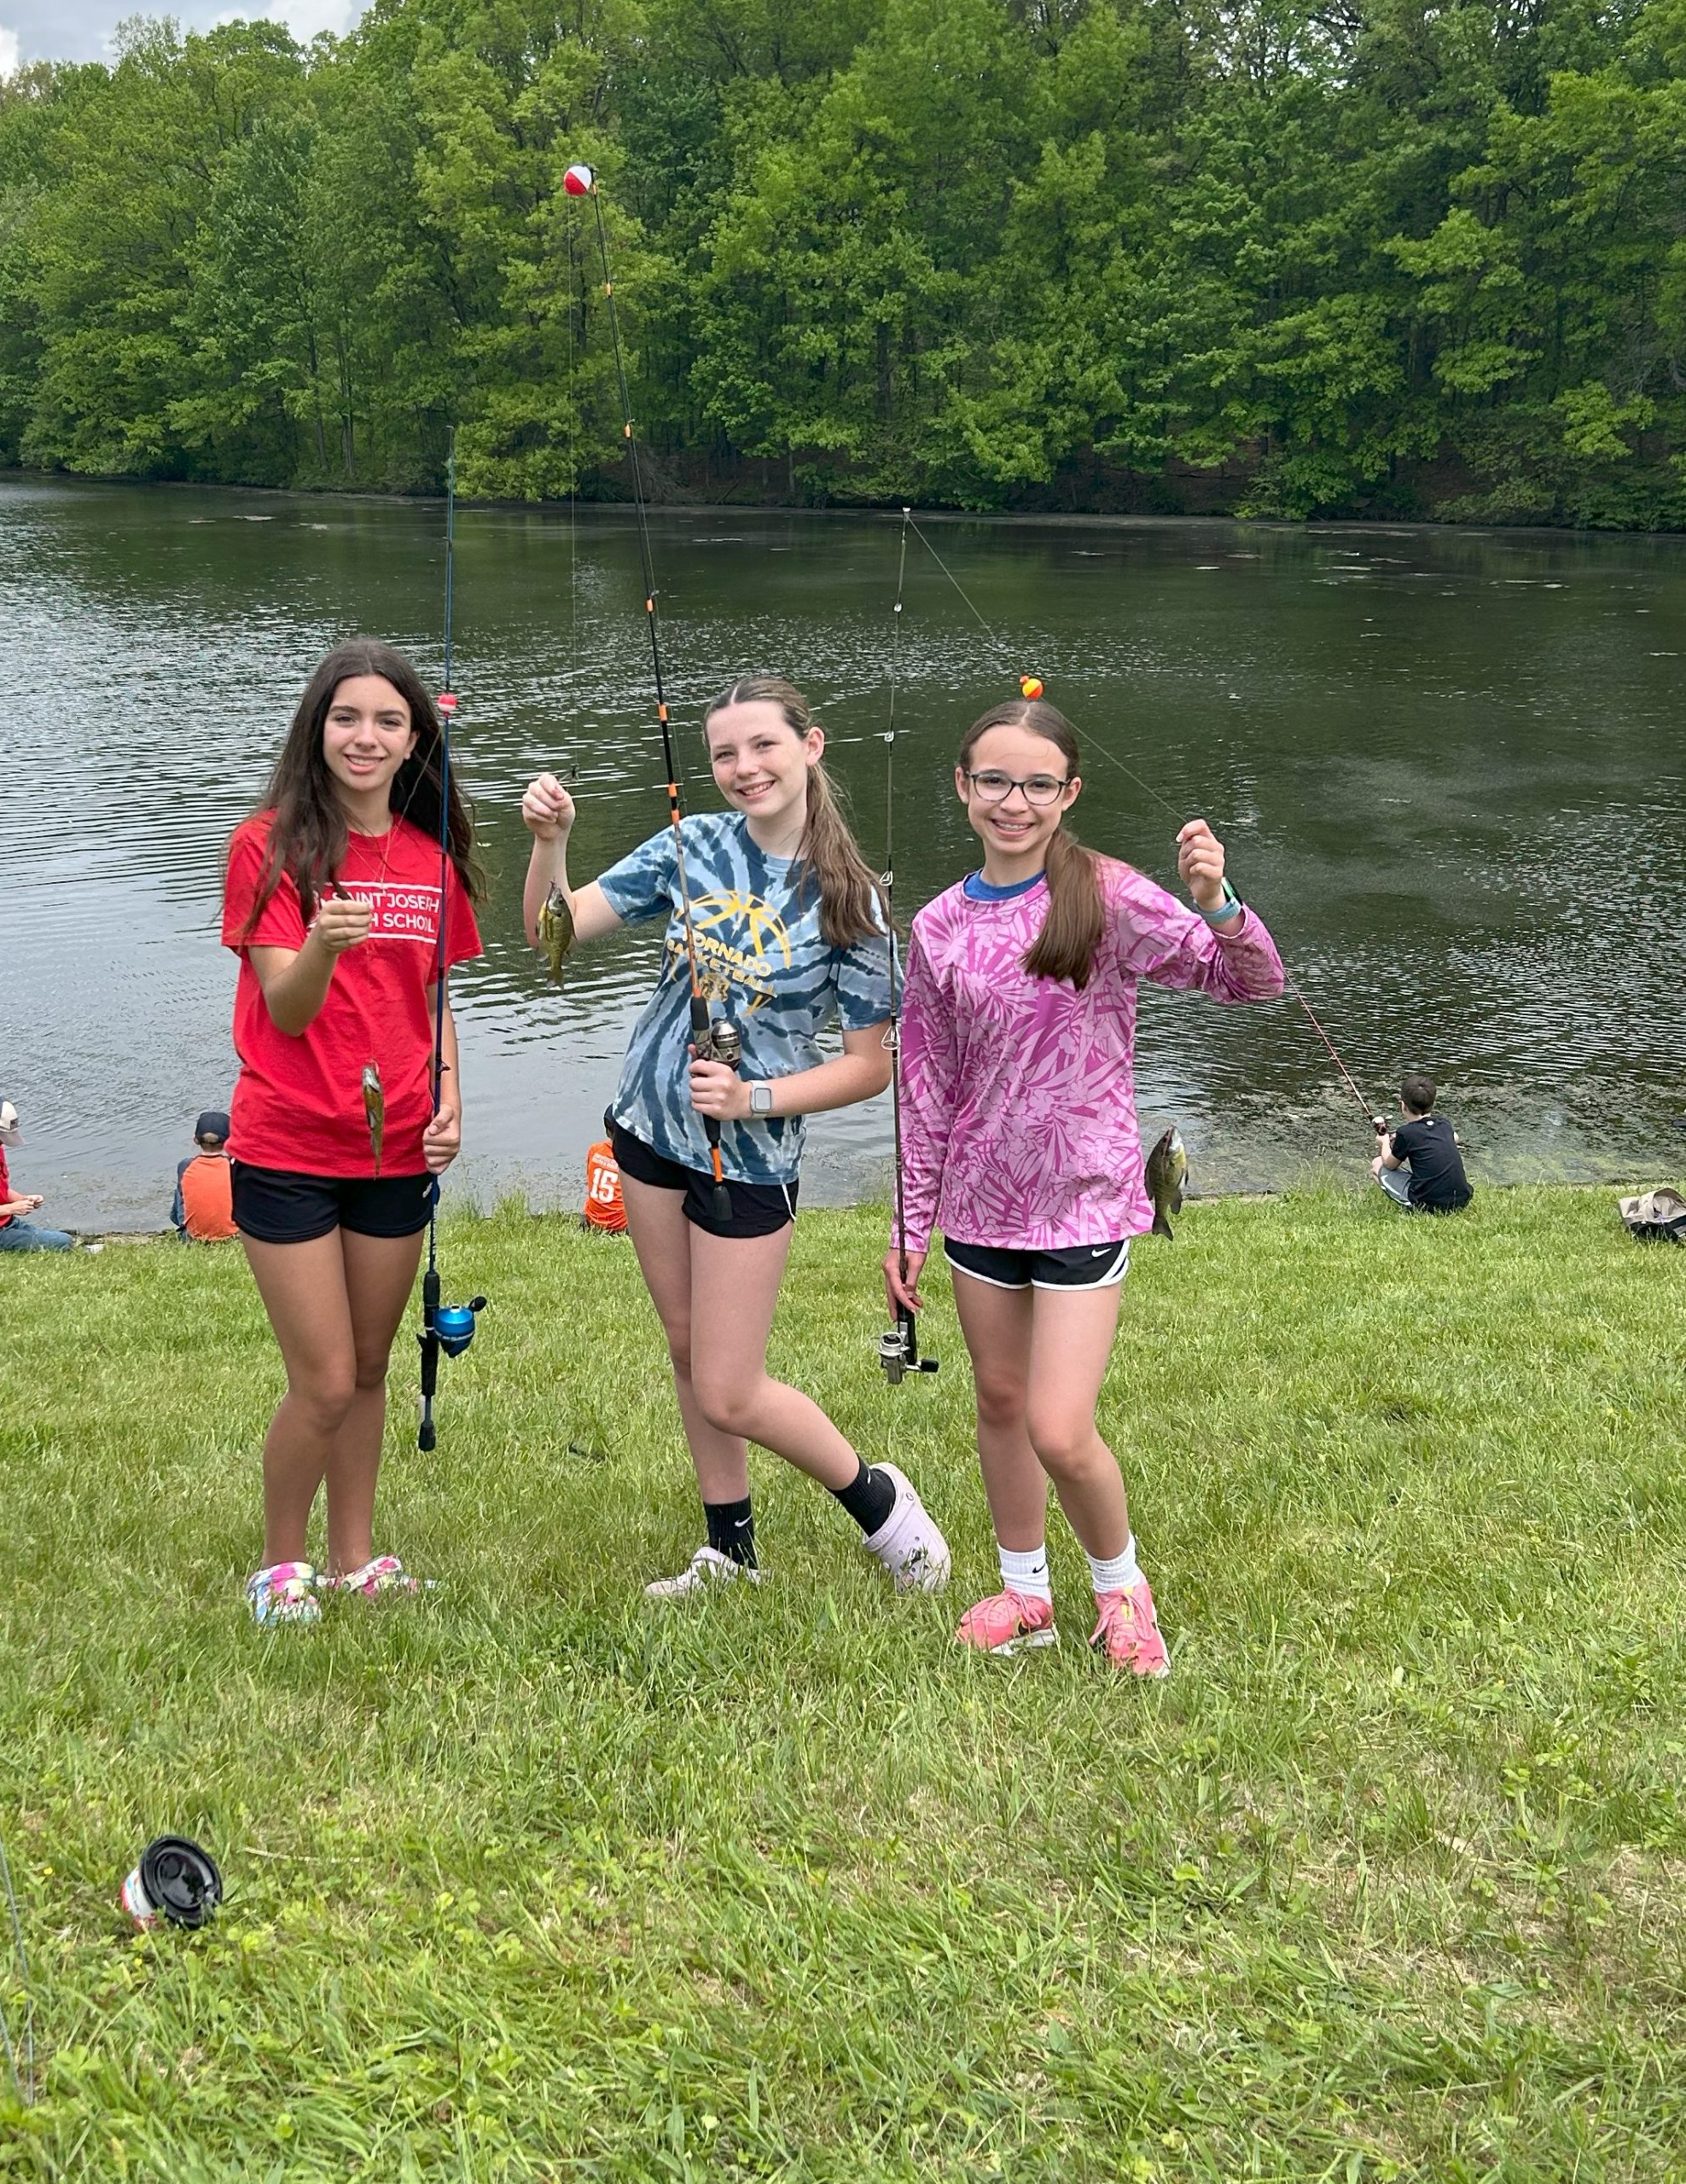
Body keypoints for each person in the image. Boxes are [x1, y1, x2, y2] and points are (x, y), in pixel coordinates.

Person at [520, 674, 951, 1597]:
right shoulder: (690, 843)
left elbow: (871, 1066)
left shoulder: (854, 901)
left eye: (762, 745)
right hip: (647, 1129)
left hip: (750, 1159)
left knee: (729, 1384)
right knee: (686, 1352)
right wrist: (550, 845)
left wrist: (754, 1098)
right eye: (724, 753)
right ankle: (730, 1552)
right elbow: (551, 931)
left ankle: (878, 1502)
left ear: (811, 746)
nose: (743, 767)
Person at [889, 695, 1286, 1676]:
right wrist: (908, 1223)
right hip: (979, 1208)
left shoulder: (1103, 894)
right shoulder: (938, 926)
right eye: (992, 780)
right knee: (996, 1401)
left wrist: (1217, 902)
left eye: (1034, 784)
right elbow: (926, 1082)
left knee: (1060, 1428)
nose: (1011, 802)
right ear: (962, 786)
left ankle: (1121, 1591)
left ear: (1067, 792)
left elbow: (1253, 983)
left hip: (1081, 1198)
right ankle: (1026, 1594)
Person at [222, 639, 481, 1626]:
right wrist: (324, 945)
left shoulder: (430, 859)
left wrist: (451, 1095)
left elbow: (438, 997)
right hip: (288, 1145)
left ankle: (355, 1556)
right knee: (324, 1378)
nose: (364, 737)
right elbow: (284, 1008)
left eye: (386, 721)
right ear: (316, 728)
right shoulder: (270, 845)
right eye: (345, 718)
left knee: (371, 1368)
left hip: (398, 1151)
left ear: (415, 738)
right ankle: (278, 1565)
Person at [0, 1096, 73, 1252]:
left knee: (63, 1237)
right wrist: (11, 1209)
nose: (3, 1142)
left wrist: (24, 1200)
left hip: (8, 1223)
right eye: (0, 1136)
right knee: (63, 1242)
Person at [1372, 1073, 1472, 1212]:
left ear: (1403, 1106)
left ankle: (1411, 1207)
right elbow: (1454, 1138)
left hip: (1428, 1204)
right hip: (1461, 1199)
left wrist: (1383, 1142)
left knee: (1377, 1164)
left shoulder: (1406, 1133)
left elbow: (1390, 1164)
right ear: (1433, 1103)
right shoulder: (1444, 1125)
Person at [172, 1109, 239, 1240]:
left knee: (180, 1191)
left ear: (196, 1140)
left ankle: (182, 1227)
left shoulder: (185, 1165)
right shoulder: (234, 1166)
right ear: (228, 1141)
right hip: (233, 1236)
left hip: (194, 1238)